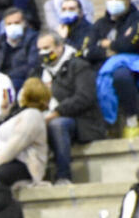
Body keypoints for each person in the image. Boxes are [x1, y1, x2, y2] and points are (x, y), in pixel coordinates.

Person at [32, 31, 107, 185]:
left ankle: (63, 176)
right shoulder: (39, 72)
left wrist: (56, 113)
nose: (43, 53)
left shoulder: (79, 66)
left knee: (57, 125)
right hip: (44, 117)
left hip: (81, 121)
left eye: (47, 47)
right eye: (40, 49)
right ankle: (34, 178)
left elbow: (84, 97)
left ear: (59, 47)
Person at [82, 0, 139, 137]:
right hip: (103, 64)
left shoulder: (136, 19)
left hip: (131, 64)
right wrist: (109, 51)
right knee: (85, 77)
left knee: (121, 75)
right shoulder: (100, 24)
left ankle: (132, 119)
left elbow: (130, 45)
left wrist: (108, 43)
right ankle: (102, 126)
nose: (114, 2)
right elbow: (87, 51)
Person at [0, 77, 49, 186]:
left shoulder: (33, 115)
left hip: (23, 164)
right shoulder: (18, 114)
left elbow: (15, 145)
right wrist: (5, 114)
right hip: (3, 159)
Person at [0, 7, 39, 92]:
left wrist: (8, 76)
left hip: (24, 80)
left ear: (24, 23)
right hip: (2, 82)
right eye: (9, 24)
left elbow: (32, 65)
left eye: (17, 23)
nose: (13, 26)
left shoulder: (33, 38)